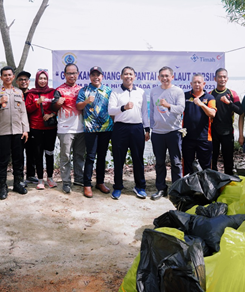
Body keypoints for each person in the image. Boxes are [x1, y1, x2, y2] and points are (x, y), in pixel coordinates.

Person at [0, 66, 30, 199]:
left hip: (18, 131)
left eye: (9, 75)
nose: (7, 77)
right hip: (3, 132)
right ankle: (3, 186)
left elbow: (23, 112)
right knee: (2, 161)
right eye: (4, 75)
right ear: (1, 77)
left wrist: (26, 129)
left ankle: (17, 184)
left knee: (18, 159)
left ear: (13, 77)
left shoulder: (18, 92)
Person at [108, 66, 150, 200]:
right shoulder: (115, 92)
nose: (128, 76)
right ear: (121, 76)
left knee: (138, 159)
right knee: (119, 159)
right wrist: (123, 107)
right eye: (125, 74)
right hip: (120, 128)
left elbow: (144, 112)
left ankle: (140, 186)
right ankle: (118, 187)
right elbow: (111, 111)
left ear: (135, 76)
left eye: (130, 74)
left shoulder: (141, 92)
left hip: (137, 128)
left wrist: (147, 129)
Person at [76, 66, 113, 198]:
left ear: (102, 76)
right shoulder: (84, 90)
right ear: (90, 77)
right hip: (90, 129)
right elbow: (78, 106)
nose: (96, 77)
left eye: (98, 75)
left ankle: (100, 182)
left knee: (102, 157)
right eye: (93, 75)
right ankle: (87, 184)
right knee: (90, 157)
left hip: (106, 129)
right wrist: (86, 101)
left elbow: (113, 108)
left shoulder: (108, 91)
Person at [149, 66, 185, 200]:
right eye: (162, 76)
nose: (164, 78)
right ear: (158, 78)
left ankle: (176, 190)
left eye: (167, 76)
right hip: (157, 133)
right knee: (159, 162)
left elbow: (181, 109)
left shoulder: (178, 91)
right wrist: (151, 128)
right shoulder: (154, 91)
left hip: (173, 131)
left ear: (172, 77)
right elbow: (152, 111)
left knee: (176, 163)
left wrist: (168, 105)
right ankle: (161, 189)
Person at [52, 63, 85, 194]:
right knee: (65, 156)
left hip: (81, 128)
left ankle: (79, 178)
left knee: (79, 155)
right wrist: (57, 104)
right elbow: (53, 109)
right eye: (69, 73)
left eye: (74, 73)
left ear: (78, 74)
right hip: (65, 128)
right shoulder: (59, 90)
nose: (72, 75)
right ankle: (66, 182)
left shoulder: (82, 90)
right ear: (64, 74)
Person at [25, 70, 58, 190]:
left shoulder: (53, 92)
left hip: (50, 128)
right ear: (37, 79)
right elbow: (27, 110)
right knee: (38, 154)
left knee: (49, 153)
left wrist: (52, 114)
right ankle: (40, 179)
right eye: (40, 78)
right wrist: (36, 103)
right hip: (36, 128)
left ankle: (50, 177)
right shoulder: (31, 94)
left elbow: (57, 107)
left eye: (45, 78)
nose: (43, 81)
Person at [182, 74, 216, 174]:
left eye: (199, 82)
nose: (197, 84)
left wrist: (201, 104)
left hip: (204, 138)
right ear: (191, 84)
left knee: (205, 166)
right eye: (195, 82)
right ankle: (188, 187)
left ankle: (205, 187)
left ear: (204, 84)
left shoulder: (210, 97)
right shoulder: (185, 96)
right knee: (187, 165)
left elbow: (212, 114)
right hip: (188, 137)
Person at [211, 68, 243, 174]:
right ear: (215, 78)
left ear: (227, 79)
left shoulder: (232, 94)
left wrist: (229, 103)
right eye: (220, 77)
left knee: (228, 158)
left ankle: (228, 179)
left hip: (228, 131)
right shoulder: (210, 94)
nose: (222, 79)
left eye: (224, 77)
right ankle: (213, 180)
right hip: (213, 132)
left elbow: (240, 111)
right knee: (213, 158)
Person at [16, 70, 37, 184]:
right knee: (18, 154)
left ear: (29, 82)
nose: (23, 82)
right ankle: (19, 178)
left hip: (32, 127)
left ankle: (31, 175)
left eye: (25, 80)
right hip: (17, 128)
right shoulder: (14, 93)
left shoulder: (33, 94)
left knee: (31, 153)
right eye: (21, 80)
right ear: (17, 81)